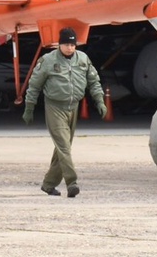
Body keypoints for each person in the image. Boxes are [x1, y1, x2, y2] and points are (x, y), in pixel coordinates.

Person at [22, 28, 106, 198]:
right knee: (64, 147)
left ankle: (48, 184)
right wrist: (29, 107)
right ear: (59, 44)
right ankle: (72, 182)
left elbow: (94, 81)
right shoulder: (47, 60)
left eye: (73, 44)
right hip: (55, 108)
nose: (70, 48)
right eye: (67, 44)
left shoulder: (83, 59)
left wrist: (100, 101)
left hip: (73, 107)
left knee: (62, 149)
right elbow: (34, 85)